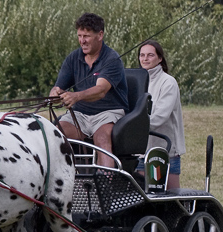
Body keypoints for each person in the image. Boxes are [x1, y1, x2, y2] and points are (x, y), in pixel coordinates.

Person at [49, 12, 129, 167]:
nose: (82, 41)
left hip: (108, 112)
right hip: (80, 114)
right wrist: (55, 94)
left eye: (86, 36)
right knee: (53, 134)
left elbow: (101, 90)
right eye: (79, 36)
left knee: (102, 138)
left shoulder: (111, 58)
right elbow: (59, 86)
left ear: (100, 35)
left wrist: (76, 96)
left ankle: (105, 182)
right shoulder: (73, 58)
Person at [137, 40, 185, 189]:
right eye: (142, 55)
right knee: (143, 199)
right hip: (140, 153)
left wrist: (132, 127)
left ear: (160, 58)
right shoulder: (136, 81)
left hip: (165, 152)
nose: (145, 59)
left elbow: (160, 117)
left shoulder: (168, 82)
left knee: (171, 201)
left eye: (150, 55)